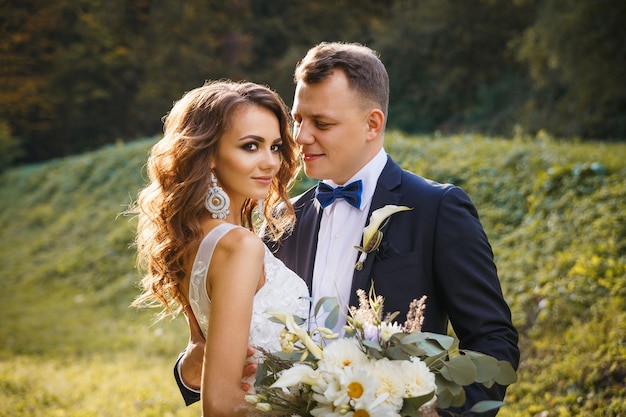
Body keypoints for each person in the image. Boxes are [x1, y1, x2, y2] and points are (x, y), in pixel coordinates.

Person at [176, 42, 520, 416]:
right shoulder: (282, 221)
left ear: (372, 124)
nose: (301, 137)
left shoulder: (437, 209)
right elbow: (243, 350)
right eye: (298, 119)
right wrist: (191, 369)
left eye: (321, 123)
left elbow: (492, 340)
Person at [131, 80, 310, 417]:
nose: (271, 162)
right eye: (250, 146)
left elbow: (202, 348)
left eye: (274, 146)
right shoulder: (239, 245)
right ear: (209, 155)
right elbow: (220, 404)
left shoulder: (192, 240)